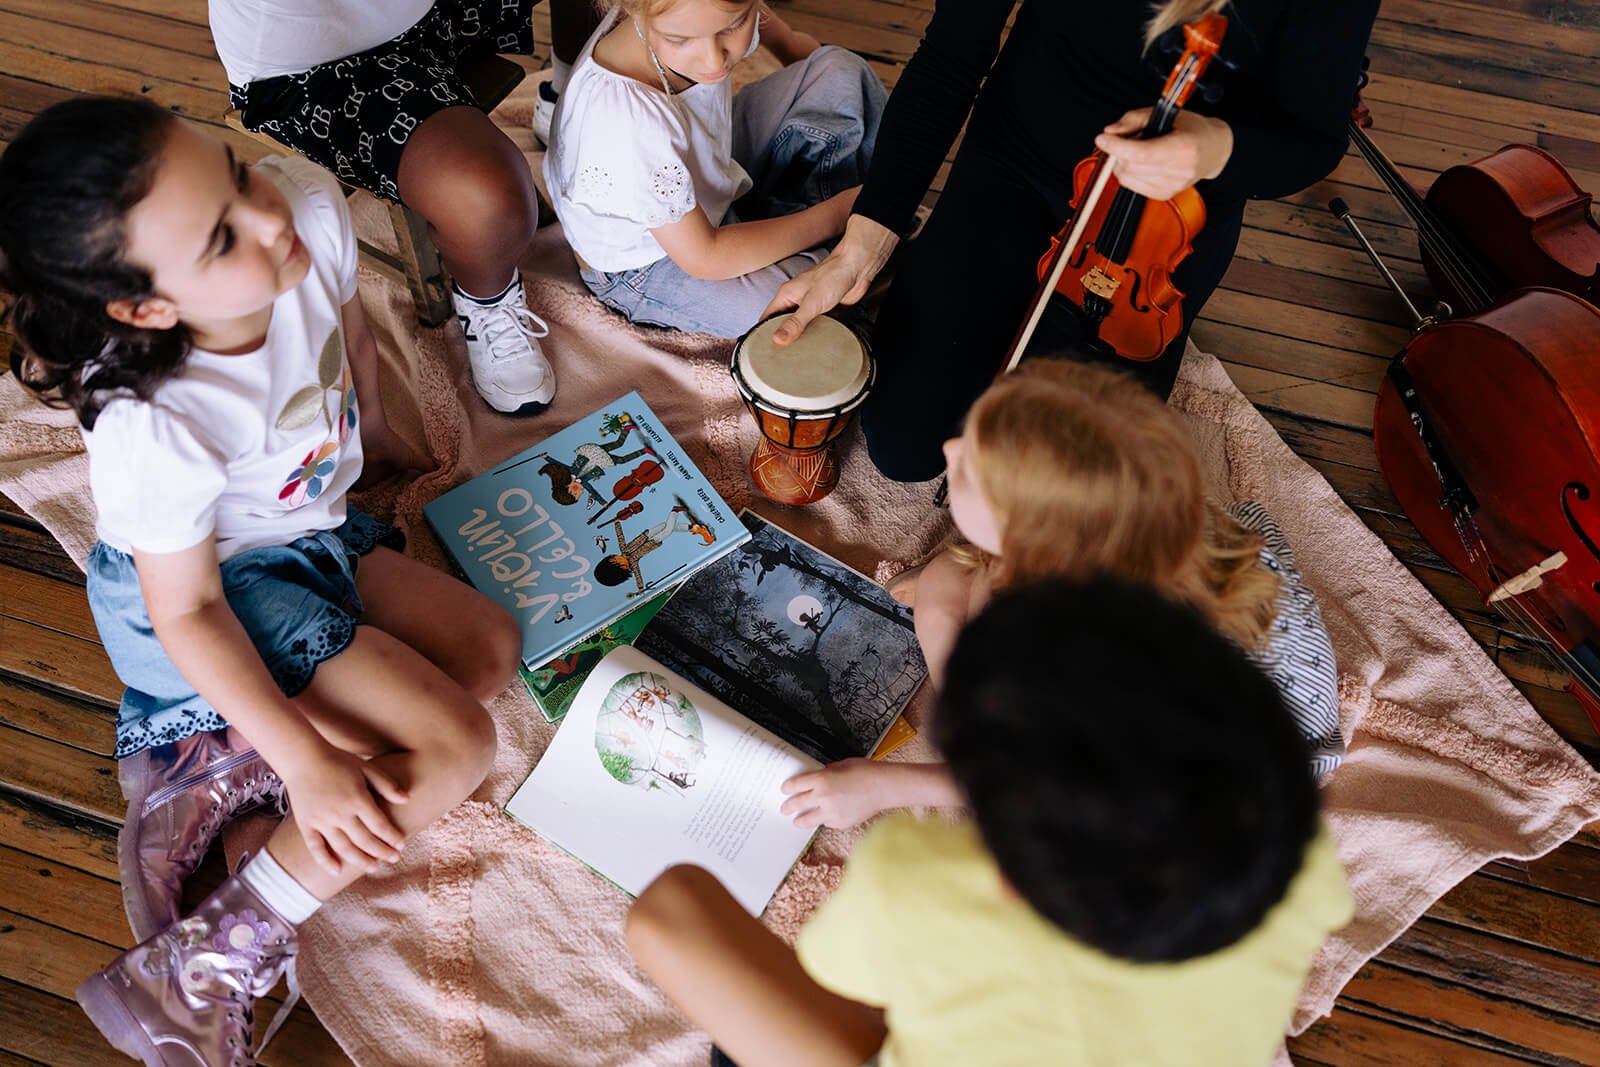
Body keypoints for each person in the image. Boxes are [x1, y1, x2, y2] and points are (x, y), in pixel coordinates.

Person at [0, 97, 520, 1062]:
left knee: (490, 648)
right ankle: (201, 964)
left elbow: (346, 339)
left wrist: (384, 441)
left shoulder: (307, 211)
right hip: (209, 598)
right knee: (456, 746)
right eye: (221, 236)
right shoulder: (153, 417)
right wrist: (309, 764)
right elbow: (186, 609)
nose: (268, 216)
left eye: (236, 172)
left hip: (308, 537)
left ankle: (237, 781)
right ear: (149, 309)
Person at [626, 577, 1354, 1067]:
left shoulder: (917, 875)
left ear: (1006, 872)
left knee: (667, 912)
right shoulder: (1299, 860)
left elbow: (832, 969)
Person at [762, 0, 1381, 481]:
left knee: (1070, 486)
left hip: (1165, 228)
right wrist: (862, 247)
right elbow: (952, 53)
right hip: (1010, 168)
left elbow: (1312, 141)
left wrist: (1211, 148)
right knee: (905, 449)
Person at [781, 359, 1343, 831]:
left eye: (971, 470)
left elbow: (1071, 781)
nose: (949, 447)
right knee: (946, 581)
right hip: (1190, 628)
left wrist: (882, 786)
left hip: (1212, 780)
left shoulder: (1081, 661)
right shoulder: (1143, 516)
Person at [211, 0, 604, 414]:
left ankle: (566, 95)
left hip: (432, 11)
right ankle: (487, 298)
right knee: (488, 202)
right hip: (324, 64)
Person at [543, 0, 885, 338]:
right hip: (652, 262)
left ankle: (806, 231)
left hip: (711, 169)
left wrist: (795, 49)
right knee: (806, 311)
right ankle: (824, 229)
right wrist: (837, 214)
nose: (714, 60)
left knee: (842, 72)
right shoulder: (625, 119)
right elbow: (704, 257)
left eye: (733, 26)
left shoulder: (698, 17)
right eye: (679, 39)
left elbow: (789, 45)